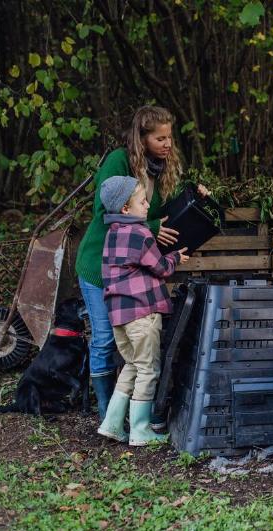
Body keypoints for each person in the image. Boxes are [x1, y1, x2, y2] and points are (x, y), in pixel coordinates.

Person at [75, 105, 206, 422]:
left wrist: (195, 195)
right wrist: (152, 229)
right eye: (160, 138)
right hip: (99, 266)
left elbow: (170, 208)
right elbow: (104, 213)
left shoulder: (163, 165)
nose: (167, 144)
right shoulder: (119, 161)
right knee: (105, 340)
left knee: (134, 349)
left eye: (169, 137)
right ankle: (107, 412)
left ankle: (127, 414)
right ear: (142, 137)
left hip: (132, 272)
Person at [95, 175, 188, 446]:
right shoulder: (139, 233)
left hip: (119, 316)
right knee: (148, 369)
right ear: (126, 208)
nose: (148, 205)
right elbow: (160, 267)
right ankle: (140, 429)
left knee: (131, 366)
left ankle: (112, 423)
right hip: (142, 314)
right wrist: (175, 258)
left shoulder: (112, 234)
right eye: (142, 201)